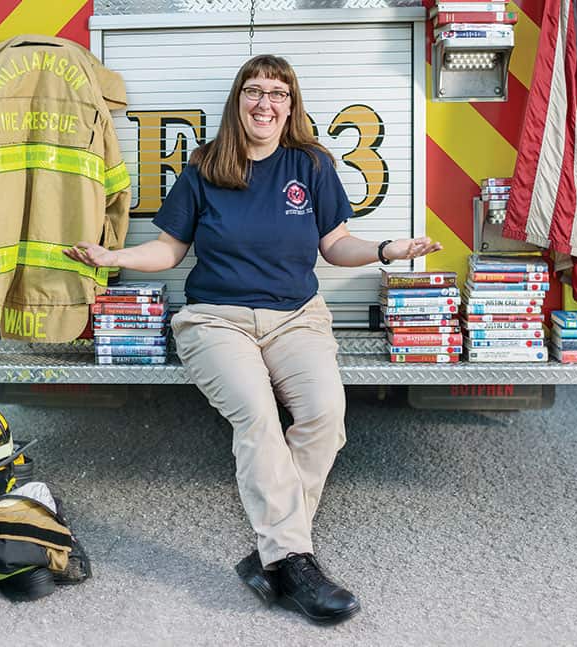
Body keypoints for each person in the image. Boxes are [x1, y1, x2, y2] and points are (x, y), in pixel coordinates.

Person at [64, 54, 441, 624]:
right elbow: (169, 250)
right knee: (259, 419)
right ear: (238, 100)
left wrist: (387, 251)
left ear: (291, 106)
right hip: (216, 321)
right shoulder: (203, 168)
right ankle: (294, 563)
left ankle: (274, 557)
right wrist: (112, 256)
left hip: (297, 317)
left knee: (325, 416)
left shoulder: (311, 164)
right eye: (255, 91)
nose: (265, 103)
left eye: (278, 93)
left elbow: (335, 244)